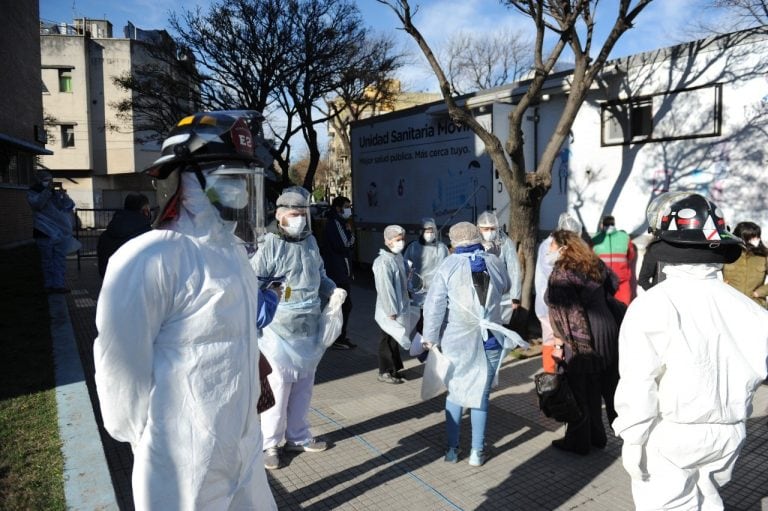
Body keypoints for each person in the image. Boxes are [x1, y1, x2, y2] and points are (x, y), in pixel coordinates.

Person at [94, 110, 279, 510]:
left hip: (244, 447)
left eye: (245, 179)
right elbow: (119, 366)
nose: (241, 191)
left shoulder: (234, 257)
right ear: (185, 179)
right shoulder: (151, 257)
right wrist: (147, 439)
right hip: (181, 460)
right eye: (227, 177)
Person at [614, 192, 768, 510]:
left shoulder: (653, 305)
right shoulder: (752, 311)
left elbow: (638, 382)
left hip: (671, 432)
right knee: (708, 498)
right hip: (730, 433)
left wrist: (633, 438)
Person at [252, 186, 345, 471]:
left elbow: (319, 274)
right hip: (278, 329)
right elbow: (253, 281)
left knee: (304, 385)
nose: (299, 219)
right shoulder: (269, 244)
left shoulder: (310, 242)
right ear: (280, 216)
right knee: (278, 388)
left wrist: (333, 291)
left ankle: (298, 436)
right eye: (294, 214)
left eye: (303, 214)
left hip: (308, 326)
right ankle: (269, 443)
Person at [421, 222, 527, 466]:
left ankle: (451, 450)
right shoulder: (494, 262)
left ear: (454, 242)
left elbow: (434, 306)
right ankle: (477, 453)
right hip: (490, 339)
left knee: (455, 393)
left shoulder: (447, 266)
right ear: (478, 237)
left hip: (457, 341)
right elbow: (507, 286)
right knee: (481, 395)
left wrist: (430, 337)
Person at [546, 229, 620, 455]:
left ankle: (579, 442)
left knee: (580, 388)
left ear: (563, 247)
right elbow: (614, 285)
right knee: (596, 386)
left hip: (584, 335)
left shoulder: (562, 273)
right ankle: (597, 436)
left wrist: (565, 345)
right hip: (607, 329)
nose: (549, 249)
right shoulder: (593, 263)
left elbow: (570, 314)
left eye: (552, 245)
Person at [534, 212, 583, 373]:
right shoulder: (549, 247)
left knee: (562, 339)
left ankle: (561, 374)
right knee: (552, 339)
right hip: (548, 304)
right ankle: (551, 374)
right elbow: (554, 274)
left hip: (562, 303)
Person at [372, 225, 412, 384]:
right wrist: (391, 310)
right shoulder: (383, 262)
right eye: (397, 240)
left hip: (398, 306)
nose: (401, 242)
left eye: (402, 239)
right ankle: (385, 371)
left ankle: (394, 369)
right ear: (387, 241)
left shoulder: (396, 258)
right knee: (387, 339)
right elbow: (385, 288)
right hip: (389, 309)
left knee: (394, 338)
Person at [27, 170, 78, 293]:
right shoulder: (33, 192)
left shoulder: (54, 193)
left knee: (59, 260)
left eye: (50, 179)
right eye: (46, 180)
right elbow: (37, 204)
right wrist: (47, 191)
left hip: (58, 232)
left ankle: (59, 285)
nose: (49, 182)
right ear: (39, 180)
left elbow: (68, 206)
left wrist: (64, 195)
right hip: (43, 231)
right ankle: (49, 286)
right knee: (48, 261)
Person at [321, 195, 357, 349]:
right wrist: (351, 234)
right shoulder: (336, 223)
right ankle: (336, 337)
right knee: (343, 305)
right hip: (337, 270)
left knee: (342, 305)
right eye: (347, 206)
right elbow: (345, 245)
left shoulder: (338, 222)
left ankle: (338, 336)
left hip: (340, 269)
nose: (349, 210)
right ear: (338, 208)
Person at [476, 211, 522, 324]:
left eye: (492, 229)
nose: (489, 232)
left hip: (502, 297)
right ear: (479, 229)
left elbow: (514, 270)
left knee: (500, 330)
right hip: (479, 296)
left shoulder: (505, 243)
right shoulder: (475, 244)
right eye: (485, 229)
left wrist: (515, 296)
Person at [96, 193, 152, 277]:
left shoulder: (106, 235)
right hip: (139, 286)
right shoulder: (148, 235)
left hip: (111, 285)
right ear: (145, 211)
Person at [591, 215, 636, 305]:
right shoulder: (625, 237)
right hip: (621, 281)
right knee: (623, 310)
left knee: (605, 312)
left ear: (602, 224)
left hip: (603, 282)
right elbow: (631, 255)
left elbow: (591, 258)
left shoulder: (596, 239)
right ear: (614, 224)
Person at [722, 221, 768, 308]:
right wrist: (721, 285)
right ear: (742, 238)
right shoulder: (727, 253)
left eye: (758, 236)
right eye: (752, 237)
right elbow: (709, 273)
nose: (756, 240)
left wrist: (760, 292)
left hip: (756, 306)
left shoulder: (764, 256)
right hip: (730, 305)